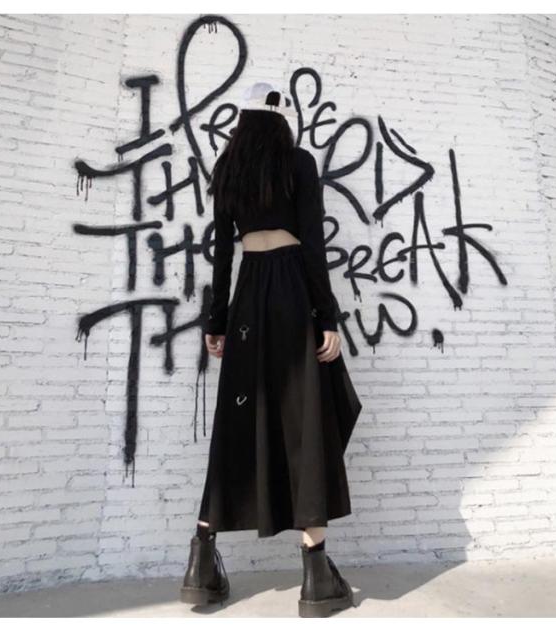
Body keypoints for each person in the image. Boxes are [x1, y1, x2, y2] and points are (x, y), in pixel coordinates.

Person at [180, 82, 362, 617]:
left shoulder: (228, 168)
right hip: (290, 293)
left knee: (237, 423)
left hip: (247, 296)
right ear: (281, 117)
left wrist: (216, 320)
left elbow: (222, 254)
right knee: (307, 422)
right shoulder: (297, 163)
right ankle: (316, 577)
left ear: (244, 120)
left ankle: (201, 562)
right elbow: (312, 244)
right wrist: (326, 316)